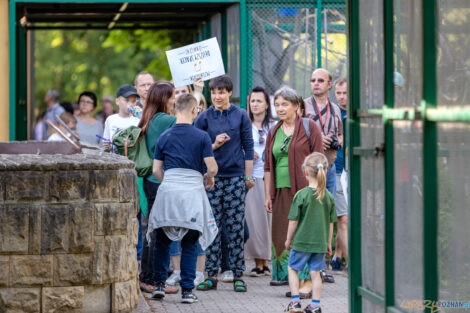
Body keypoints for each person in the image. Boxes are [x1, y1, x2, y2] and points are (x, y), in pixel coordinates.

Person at [147, 93, 218, 303]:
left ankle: (159, 285)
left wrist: (170, 181)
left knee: (161, 241)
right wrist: (207, 177)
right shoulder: (202, 137)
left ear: (174, 110)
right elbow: (212, 167)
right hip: (191, 194)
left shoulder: (165, 136)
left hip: (168, 192)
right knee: (190, 242)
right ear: (195, 110)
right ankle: (187, 291)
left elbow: (157, 170)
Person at [194, 74, 254, 293]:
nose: (217, 96)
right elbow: (198, 149)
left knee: (235, 227)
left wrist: (248, 177)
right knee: (212, 228)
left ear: (230, 92)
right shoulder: (204, 118)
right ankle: (211, 275)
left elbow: (248, 146)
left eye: (222, 92)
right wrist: (215, 144)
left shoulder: (241, 115)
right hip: (212, 179)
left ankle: (238, 274)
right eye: (214, 92)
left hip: (236, 178)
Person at [264, 86, 323, 289]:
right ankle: (284, 275)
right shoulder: (273, 131)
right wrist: (267, 195)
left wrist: (317, 189)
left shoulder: (309, 126)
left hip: (305, 191)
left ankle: (307, 282)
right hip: (280, 191)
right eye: (277, 105)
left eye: (284, 104)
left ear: (296, 106)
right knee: (281, 233)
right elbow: (267, 166)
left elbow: (319, 159)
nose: (280, 108)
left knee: (303, 234)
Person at [137, 81, 178, 295]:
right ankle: (149, 279)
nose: (175, 100)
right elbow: (188, 121)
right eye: (172, 96)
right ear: (164, 99)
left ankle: (153, 278)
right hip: (158, 181)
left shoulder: (151, 117)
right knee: (154, 232)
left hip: (152, 182)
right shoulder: (164, 119)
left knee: (153, 230)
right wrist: (197, 94)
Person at [166, 77, 207, 288]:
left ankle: (198, 272)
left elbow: (193, 117)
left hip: (194, 183)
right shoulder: (167, 122)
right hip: (174, 186)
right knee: (173, 228)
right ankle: (177, 271)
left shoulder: (199, 121)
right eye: (177, 92)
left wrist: (198, 91)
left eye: (184, 91)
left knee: (194, 228)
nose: (181, 95)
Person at [284, 152, 337, 313]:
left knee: (293, 268)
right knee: (316, 273)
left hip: (301, 242)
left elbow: (293, 221)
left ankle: (295, 303)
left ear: (306, 172)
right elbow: (331, 224)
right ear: (325, 171)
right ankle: (315, 305)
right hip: (320, 243)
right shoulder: (328, 197)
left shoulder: (301, 195)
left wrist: (288, 240)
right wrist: (328, 244)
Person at [245, 86, 274, 277]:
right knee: (255, 222)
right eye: (252, 101)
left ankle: (269, 261)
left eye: (259, 101)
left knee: (270, 222)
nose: (255, 105)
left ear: (266, 104)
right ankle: (258, 263)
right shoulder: (244, 125)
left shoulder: (274, 125)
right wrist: (246, 155)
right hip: (253, 178)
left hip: (271, 179)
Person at [304, 68, 343, 198]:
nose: (316, 83)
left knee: (328, 207)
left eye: (320, 80)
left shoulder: (335, 109)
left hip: (329, 166)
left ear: (329, 85)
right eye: (313, 80)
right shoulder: (302, 106)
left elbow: (340, 133)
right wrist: (318, 137)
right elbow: (295, 132)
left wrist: (337, 142)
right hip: (309, 167)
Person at [331, 78, 348, 272]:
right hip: (336, 169)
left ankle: (338, 255)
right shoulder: (333, 113)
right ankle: (344, 259)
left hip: (353, 169)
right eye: (339, 93)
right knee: (342, 217)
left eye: (345, 93)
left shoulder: (358, 113)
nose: (342, 97)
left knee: (346, 217)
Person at [102, 84, 140, 151]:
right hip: (114, 160)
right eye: (126, 100)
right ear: (117, 101)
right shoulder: (110, 120)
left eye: (133, 101)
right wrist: (107, 147)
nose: (130, 104)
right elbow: (106, 143)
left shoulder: (138, 121)